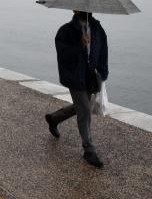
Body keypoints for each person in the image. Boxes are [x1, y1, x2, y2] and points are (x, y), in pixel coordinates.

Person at [45, 10, 109, 168]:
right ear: (74, 9)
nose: (86, 9)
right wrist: (80, 45)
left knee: (81, 107)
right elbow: (62, 54)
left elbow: (103, 51)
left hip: (91, 76)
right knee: (85, 111)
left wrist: (103, 72)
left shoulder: (97, 28)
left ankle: (54, 118)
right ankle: (89, 150)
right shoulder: (65, 30)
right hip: (74, 77)